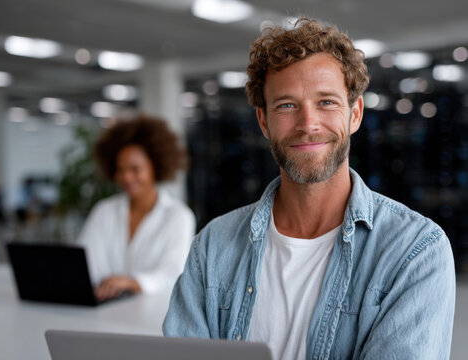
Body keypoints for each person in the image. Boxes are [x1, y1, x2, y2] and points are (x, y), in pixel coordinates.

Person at [163, 18, 456, 359]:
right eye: (287, 105)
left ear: (355, 113)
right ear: (263, 121)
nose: (307, 124)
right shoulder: (212, 248)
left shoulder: (416, 251)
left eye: (327, 102)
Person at [77, 114, 196, 301]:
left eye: (135, 169)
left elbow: (173, 274)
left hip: (154, 315)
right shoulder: (104, 211)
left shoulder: (178, 216)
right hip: (104, 310)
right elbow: (84, 265)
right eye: (120, 170)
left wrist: (132, 282)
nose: (126, 177)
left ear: (155, 167)